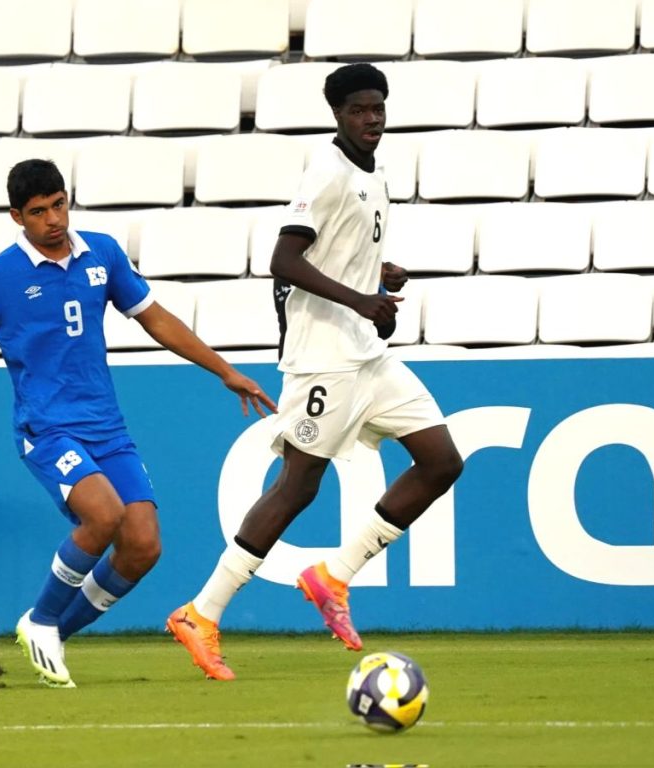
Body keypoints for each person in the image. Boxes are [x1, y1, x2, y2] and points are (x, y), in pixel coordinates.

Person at [0, 159, 276, 688]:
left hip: (107, 426)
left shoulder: (100, 251)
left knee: (144, 544)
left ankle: (54, 630)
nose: (53, 219)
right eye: (38, 212)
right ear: (18, 216)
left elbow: (157, 318)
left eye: (59, 204)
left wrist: (226, 372)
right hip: (47, 429)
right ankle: (39, 618)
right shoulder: (0, 277)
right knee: (102, 514)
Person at [166, 63, 464, 681]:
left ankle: (332, 575)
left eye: (377, 107)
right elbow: (283, 259)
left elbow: (341, 248)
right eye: (358, 109)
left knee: (441, 461)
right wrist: (360, 299)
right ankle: (201, 612)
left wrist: (378, 274)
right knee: (298, 487)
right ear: (337, 114)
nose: (371, 118)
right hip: (323, 356)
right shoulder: (327, 172)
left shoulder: (374, 168)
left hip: (366, 354)